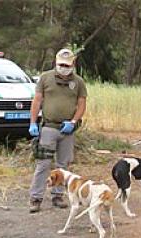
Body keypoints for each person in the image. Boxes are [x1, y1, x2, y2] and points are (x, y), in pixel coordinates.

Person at [28, 48, 87, 213]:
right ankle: (36, 198)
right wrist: (33, 122)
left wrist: (73, 121)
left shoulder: (79, 82)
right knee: (43, 163)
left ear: (73, 64)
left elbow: (82, 104)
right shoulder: (45, 78)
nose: (64, 67)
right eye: (61, 64)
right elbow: (37, 100)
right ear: (55, 62)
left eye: (67, 65)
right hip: (49, 127)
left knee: (64, 165)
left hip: (67, 129)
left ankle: (58, 195)